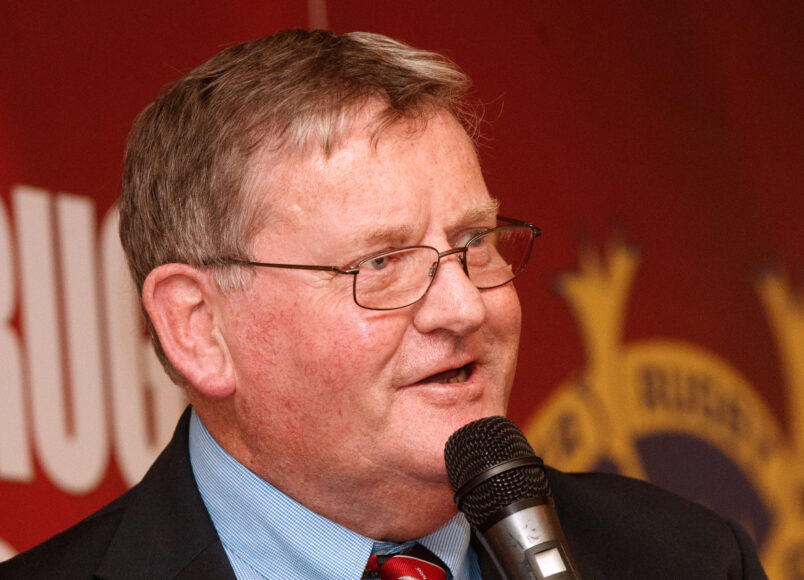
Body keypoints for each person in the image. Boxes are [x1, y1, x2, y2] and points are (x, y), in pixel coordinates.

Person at [0, 30, 766, 579]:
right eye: (384, 263)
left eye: (476, 241)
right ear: (199, 329)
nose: (464, 306)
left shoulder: (683, 557)